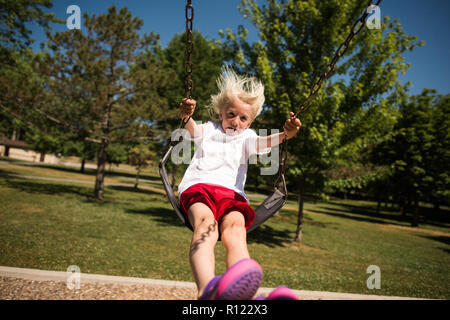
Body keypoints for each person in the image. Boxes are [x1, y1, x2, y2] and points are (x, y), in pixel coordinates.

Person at [178, 67, 301, 300]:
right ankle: (208, 290)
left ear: (250, 121)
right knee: (206, 227)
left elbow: (265, 143)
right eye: (231, 114)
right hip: (199, 189)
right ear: (221, 113)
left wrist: (286, 135)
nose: (236, 121)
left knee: (236, 231)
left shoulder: (248, 137)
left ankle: (240, 293)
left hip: (232, 197)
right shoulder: (209, 129)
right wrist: (186, 116)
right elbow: (191, 129)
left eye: (243, 118)